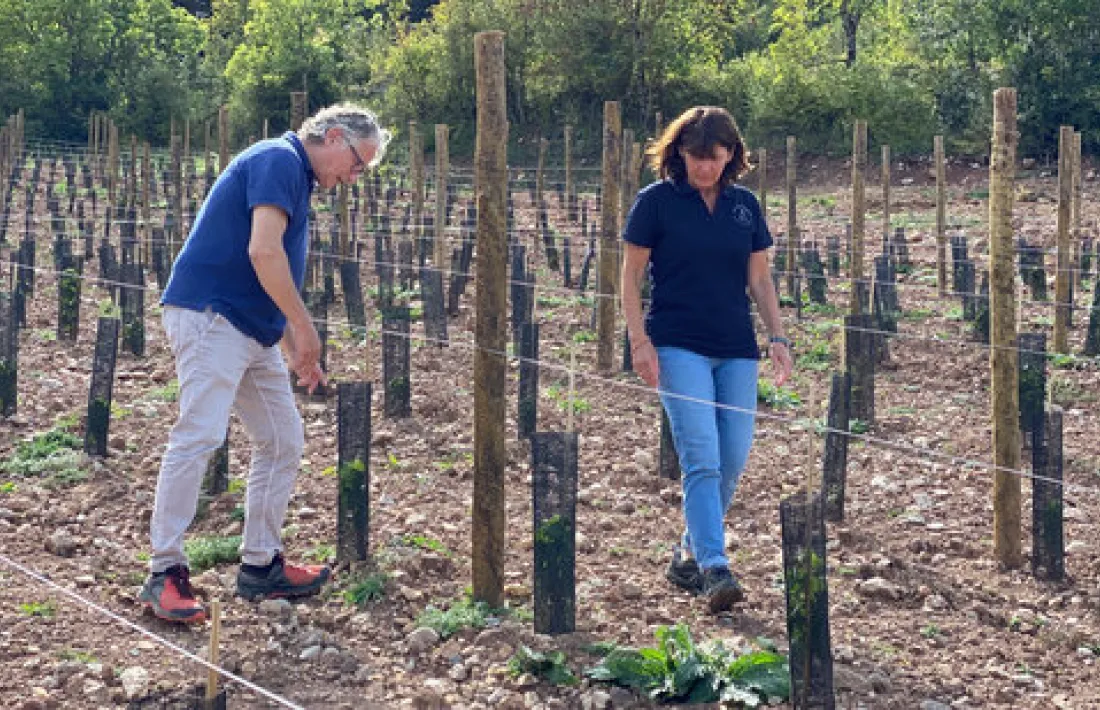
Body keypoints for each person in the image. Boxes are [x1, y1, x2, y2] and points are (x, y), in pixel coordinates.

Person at [139, 104, 391, 623]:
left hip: (251, 328)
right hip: (213, 316)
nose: (354, 177)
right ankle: (164, 572)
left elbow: (270, 272)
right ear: (334, 136)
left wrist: (294, 349)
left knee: (282, 440)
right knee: (200, 435)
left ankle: (260, 565)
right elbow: (264, 253)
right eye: (357, 163)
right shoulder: (280, 159)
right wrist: (303, 327)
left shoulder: (296, 176)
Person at [621, 106, 793, 614]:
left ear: (731, 155)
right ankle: (715, 568)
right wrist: (639, 341)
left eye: (714, 158)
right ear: (679, 153)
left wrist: (778, 336)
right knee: (701, 456)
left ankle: (688, 553)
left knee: (732, 459)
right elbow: (629, 276)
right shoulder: (655, 203)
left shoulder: (745, 206)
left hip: (736, 347)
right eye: (695, 157)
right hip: (677, 343)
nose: (704, 167)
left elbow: (759, 279)